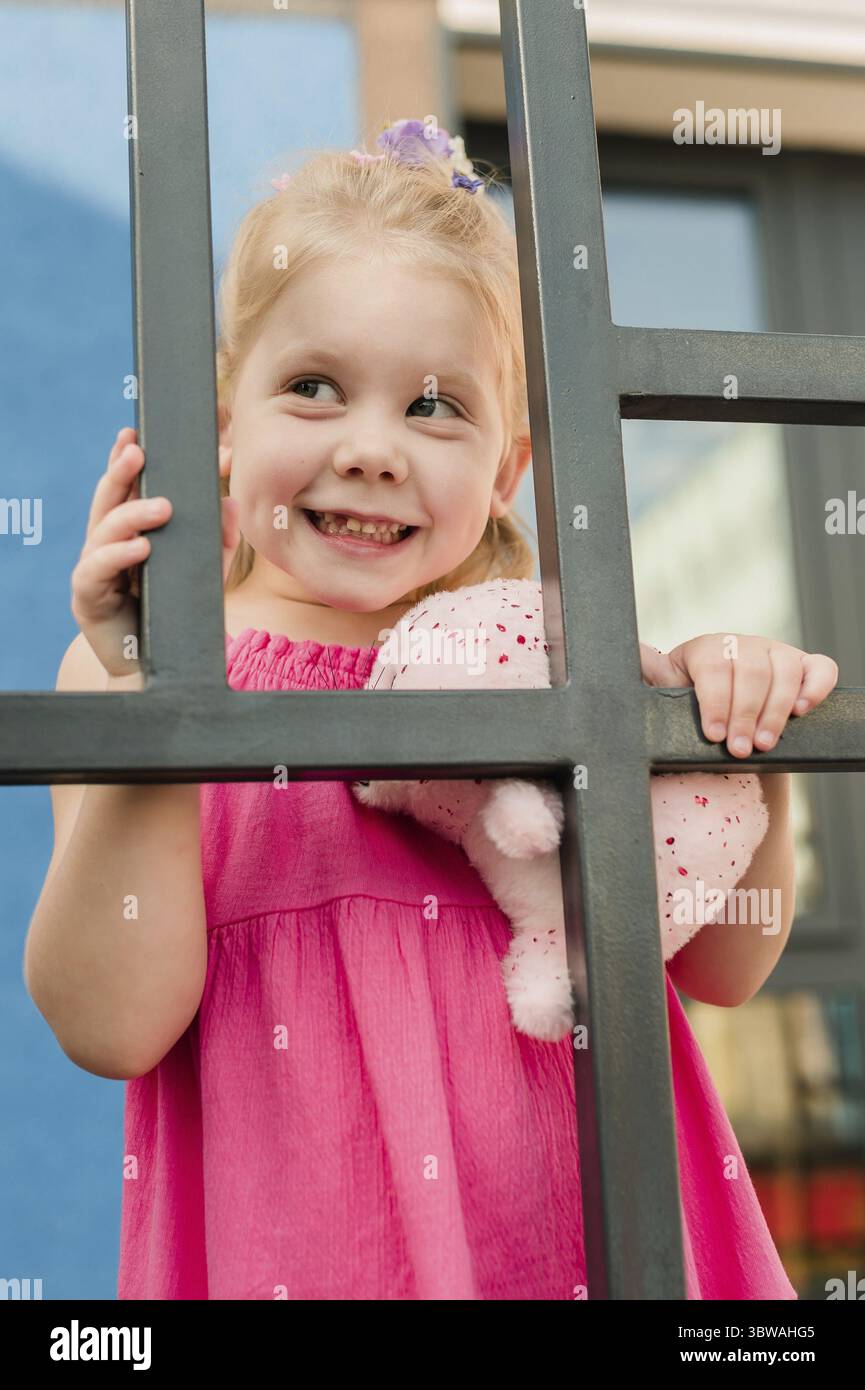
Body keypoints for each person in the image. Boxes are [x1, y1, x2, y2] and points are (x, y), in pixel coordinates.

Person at [24, 119, 838, 1300]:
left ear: (503, 473)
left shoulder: (561, 661)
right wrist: (159, 705)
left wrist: (724, 733)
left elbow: (721, 960)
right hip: (314, 1248)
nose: (371, 448)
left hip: (583, 1240)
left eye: (434, 407)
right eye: (313, 388)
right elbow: (110, 1025)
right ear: (218, 432)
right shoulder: (121, 677)